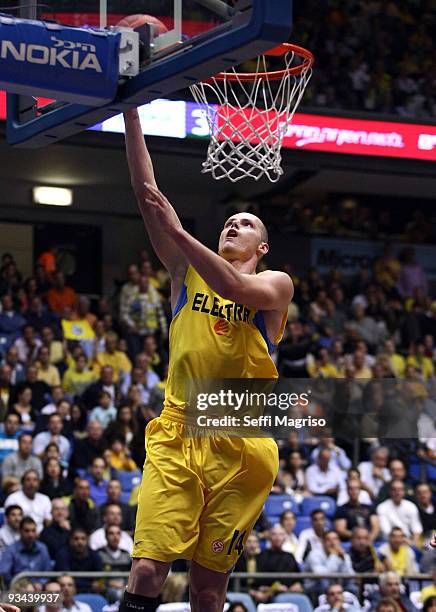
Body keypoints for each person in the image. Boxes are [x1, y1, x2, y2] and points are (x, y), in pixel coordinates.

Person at [120, 108, 291, 612]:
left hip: (242, 441)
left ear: (262, 246)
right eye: (228, 221)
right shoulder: (182, 271)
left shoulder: (276, 284)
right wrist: (130, 108)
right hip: (179, 428)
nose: (233, 225)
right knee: (149, 567)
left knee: (208, 588)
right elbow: (145, 191)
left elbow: (234, 285)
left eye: (245, 223)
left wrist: (180, 231)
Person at [0, 516, 52, 586]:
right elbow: (4, 573)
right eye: (27, 531)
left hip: (39, 588)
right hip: (16, 590)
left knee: (54, 589)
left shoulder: (42, 548)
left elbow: (48, 572)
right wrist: (19, 585)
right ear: (20, 531)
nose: (30, 534)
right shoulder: (11, 550)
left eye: (33, 531)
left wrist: (40, 583)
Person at [376, 480, 423, 545]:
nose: (397, 492)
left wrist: (413, 544)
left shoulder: (411, 506)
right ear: (390, 492)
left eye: (400, 490)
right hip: (389, 541)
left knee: (428, 546)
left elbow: (417, 528)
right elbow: (385, 531)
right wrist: (402, 540)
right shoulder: (382, 507)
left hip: (409, 540)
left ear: (404, 492)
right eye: (394, 490)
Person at [5, 469, 52, 533]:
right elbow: (10, 522)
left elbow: (48, 521)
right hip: (17, 534)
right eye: (28, 480)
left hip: (41, 536)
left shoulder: (45, 499)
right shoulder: (13, 498)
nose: (31, 483)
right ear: (23, 483)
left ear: (39, 483)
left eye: (35, 480)